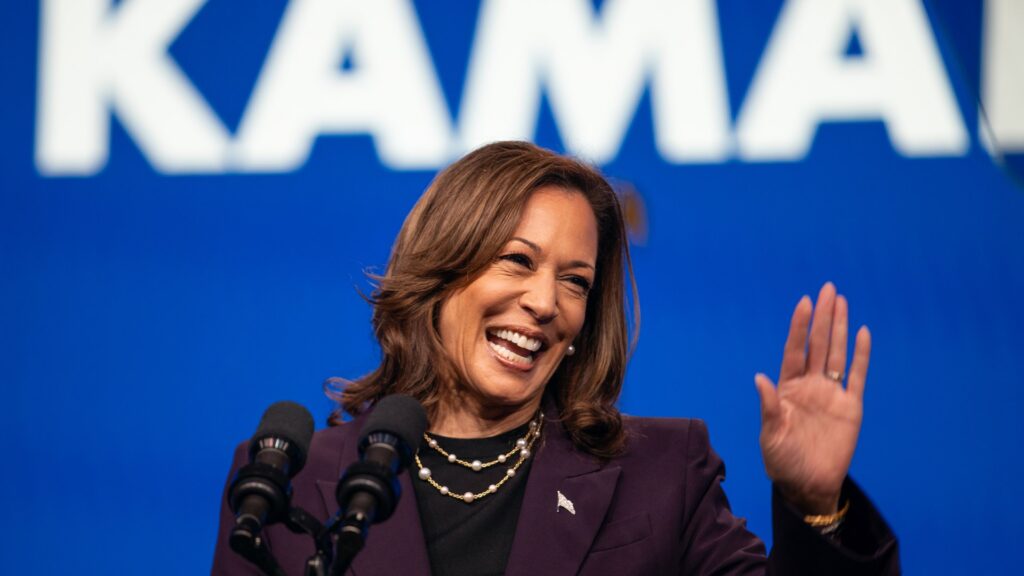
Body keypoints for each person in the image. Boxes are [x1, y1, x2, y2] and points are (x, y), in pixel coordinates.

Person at [212, 141, 899, 575]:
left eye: (575, 282)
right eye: (518, 261)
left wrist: (817, 508)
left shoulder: (661, 474)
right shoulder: (291, 484)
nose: (546, 303)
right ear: (442, 270)